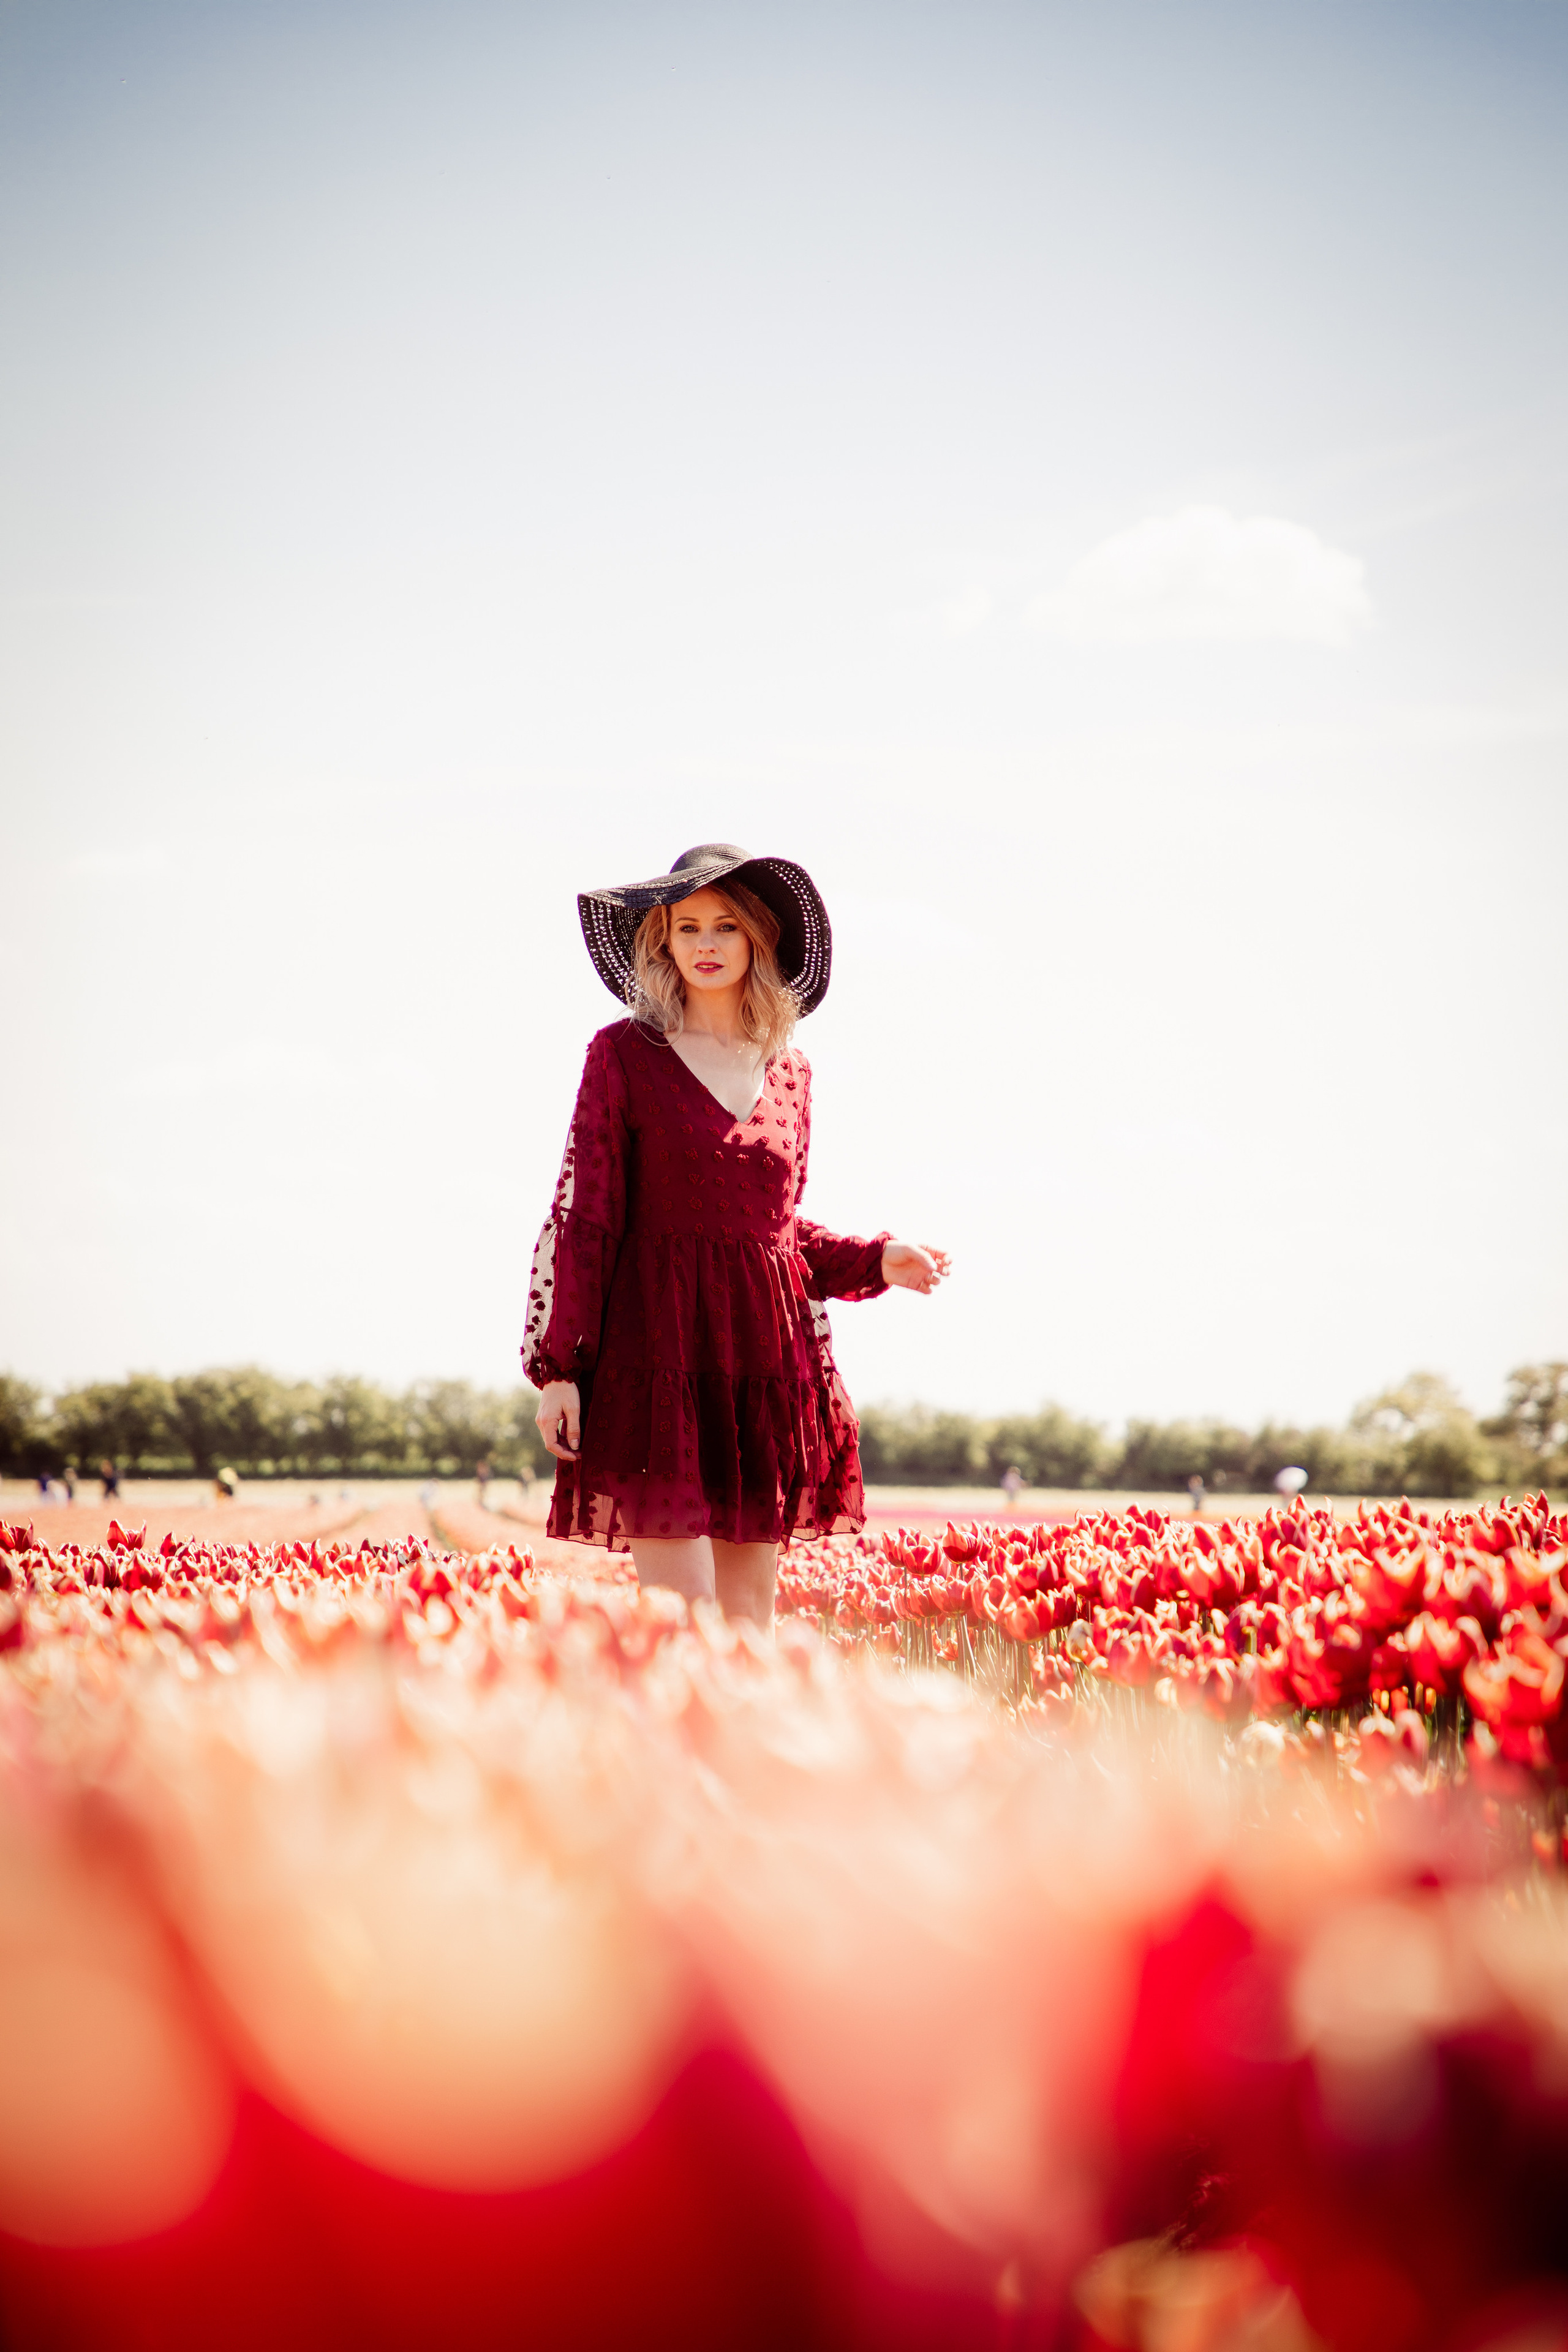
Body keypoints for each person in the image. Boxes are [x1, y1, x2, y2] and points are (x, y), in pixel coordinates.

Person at [526, 842, 950, 1630]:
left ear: (759, 938)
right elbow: (590, 1217)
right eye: (687, 928)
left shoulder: (792, 1071)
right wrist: (560, 1369)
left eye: (725, 926)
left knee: (748, 1619)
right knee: (681, 1618)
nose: (706, 944)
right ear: (663, 941)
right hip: (656, 1356)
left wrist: (875, 1259)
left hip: (760, 1362)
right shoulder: (622, 1054)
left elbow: (775, 1230)